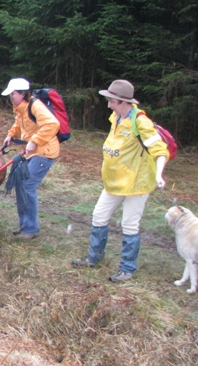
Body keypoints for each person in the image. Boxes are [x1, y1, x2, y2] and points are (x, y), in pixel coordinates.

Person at [72, 79, 168, 282]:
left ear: (124, 102)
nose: (108, 105)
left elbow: (160, 150)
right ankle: (94, 257)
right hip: (113, 182)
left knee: (129, 224)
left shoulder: (140, 121)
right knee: (98, 216)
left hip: (136, 184)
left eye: (112, 101)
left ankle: (127, 269)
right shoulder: (115, 117)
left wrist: (159, 175)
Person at [0, 78, 60, 240]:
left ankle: (30, 229)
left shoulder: (36, 106)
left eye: (13, 94)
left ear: (22, 93)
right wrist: (11, 135)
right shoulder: (21, 108)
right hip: (30, 152)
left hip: (44, 153)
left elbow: (53, 124)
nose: (10, 97)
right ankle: (25, 226)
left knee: (27, 186)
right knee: (20, 185)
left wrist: (34, 141)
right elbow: (19, 124)